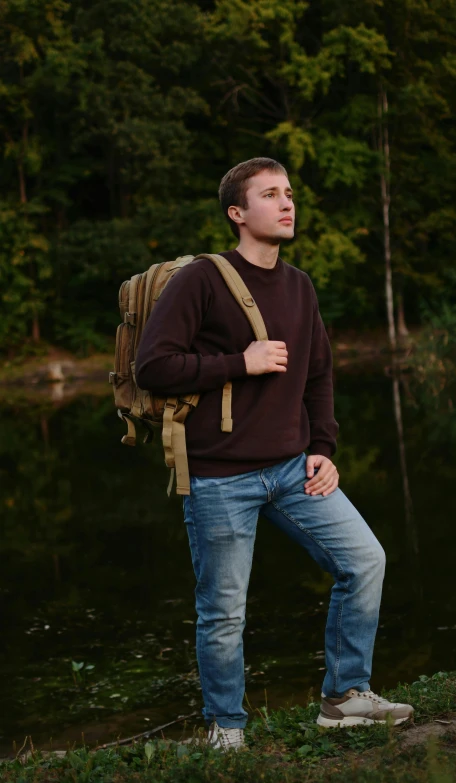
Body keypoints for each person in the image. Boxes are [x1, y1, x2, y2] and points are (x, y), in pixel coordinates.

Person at [135, 157, 413, 751]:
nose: (287, 203)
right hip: (217, 479)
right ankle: (226, 728)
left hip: (293, 470)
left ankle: (343, 698)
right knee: (224, 613)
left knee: (364, 561)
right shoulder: (203, 280)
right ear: (238, 213)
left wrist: (323, 447)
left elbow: (319, 375)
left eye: (289, 193)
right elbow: (153, 366)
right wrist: (242, 362)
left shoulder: (300, 285)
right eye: (270, 195)